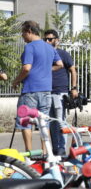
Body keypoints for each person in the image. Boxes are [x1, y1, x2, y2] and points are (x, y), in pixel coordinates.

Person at [12, 21, 63, 152]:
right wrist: (46, 69)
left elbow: (26, 68)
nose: (22, 36)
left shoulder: (30, 47)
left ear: (29, 31)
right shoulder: (49, 47)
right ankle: (45, 153)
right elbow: (60, 64)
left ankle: (29, 154)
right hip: (46, 90)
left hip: (30, 90)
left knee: (25, 122)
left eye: (23, 33)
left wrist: (16, 81)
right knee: (43, 122)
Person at [44, 29, 78, 156]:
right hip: (47, 92)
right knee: (51, 122)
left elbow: (73, 70)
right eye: (45, 39)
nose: (47, 41)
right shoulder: (45, 55)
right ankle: (55, 149)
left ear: (57, 40)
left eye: (50, 39)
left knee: (60, 121)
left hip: (60, 92)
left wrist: (74, 88)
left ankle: (62, 149)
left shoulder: (63, 54)